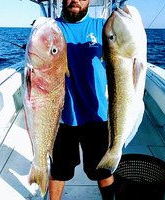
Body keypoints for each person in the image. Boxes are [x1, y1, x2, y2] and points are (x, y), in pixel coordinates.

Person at [49, 0, 115, 199]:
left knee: (103, 170)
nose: (75, 0)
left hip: (97, 115)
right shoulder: (50, 29)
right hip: (60, 117)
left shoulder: (104, 27)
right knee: (59, 170)